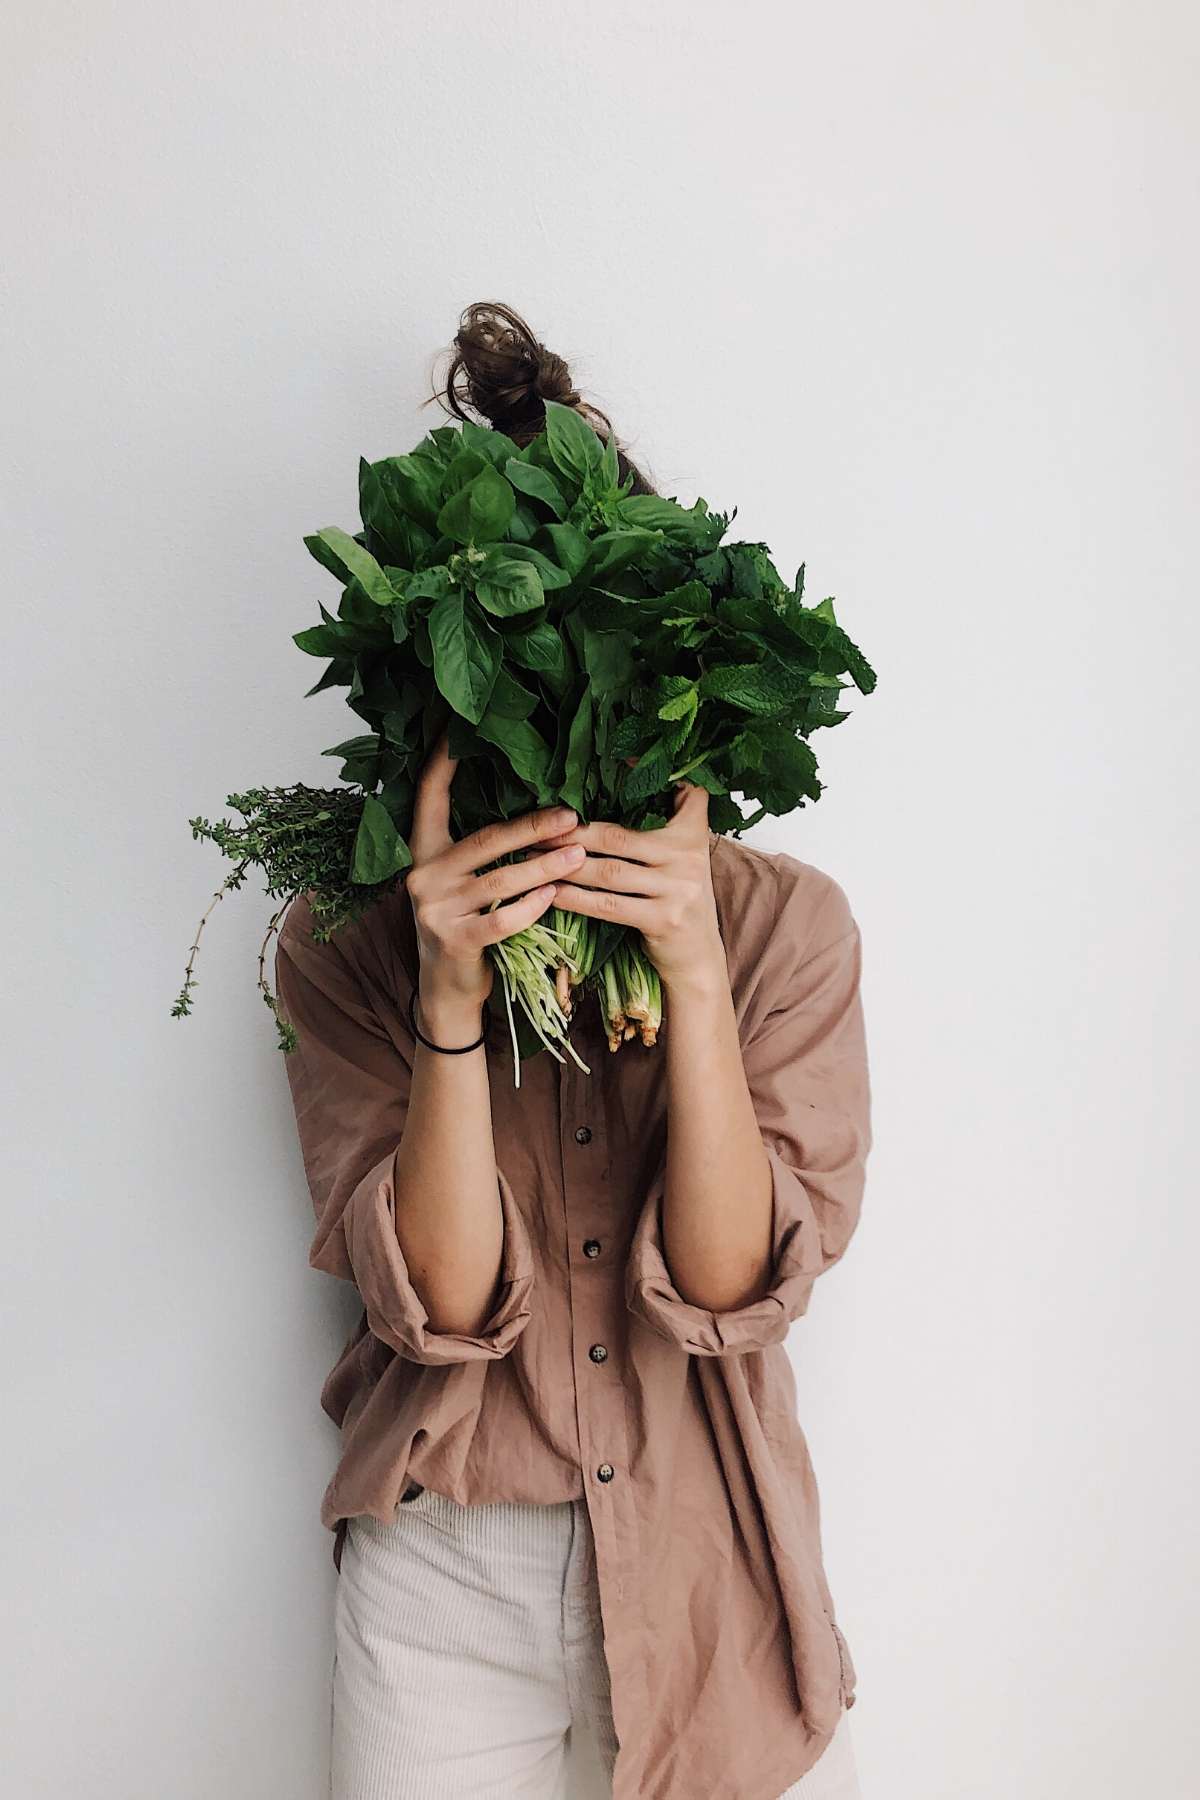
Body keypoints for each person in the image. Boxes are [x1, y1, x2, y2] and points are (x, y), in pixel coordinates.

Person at [274, 303, 871, 1799]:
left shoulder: (782, 927)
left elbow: (735, 1293)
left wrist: (690, 968)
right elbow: (446, 1306)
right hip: (447, 1574)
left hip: (706, 1550)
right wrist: (452, 995)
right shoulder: (343, 941)